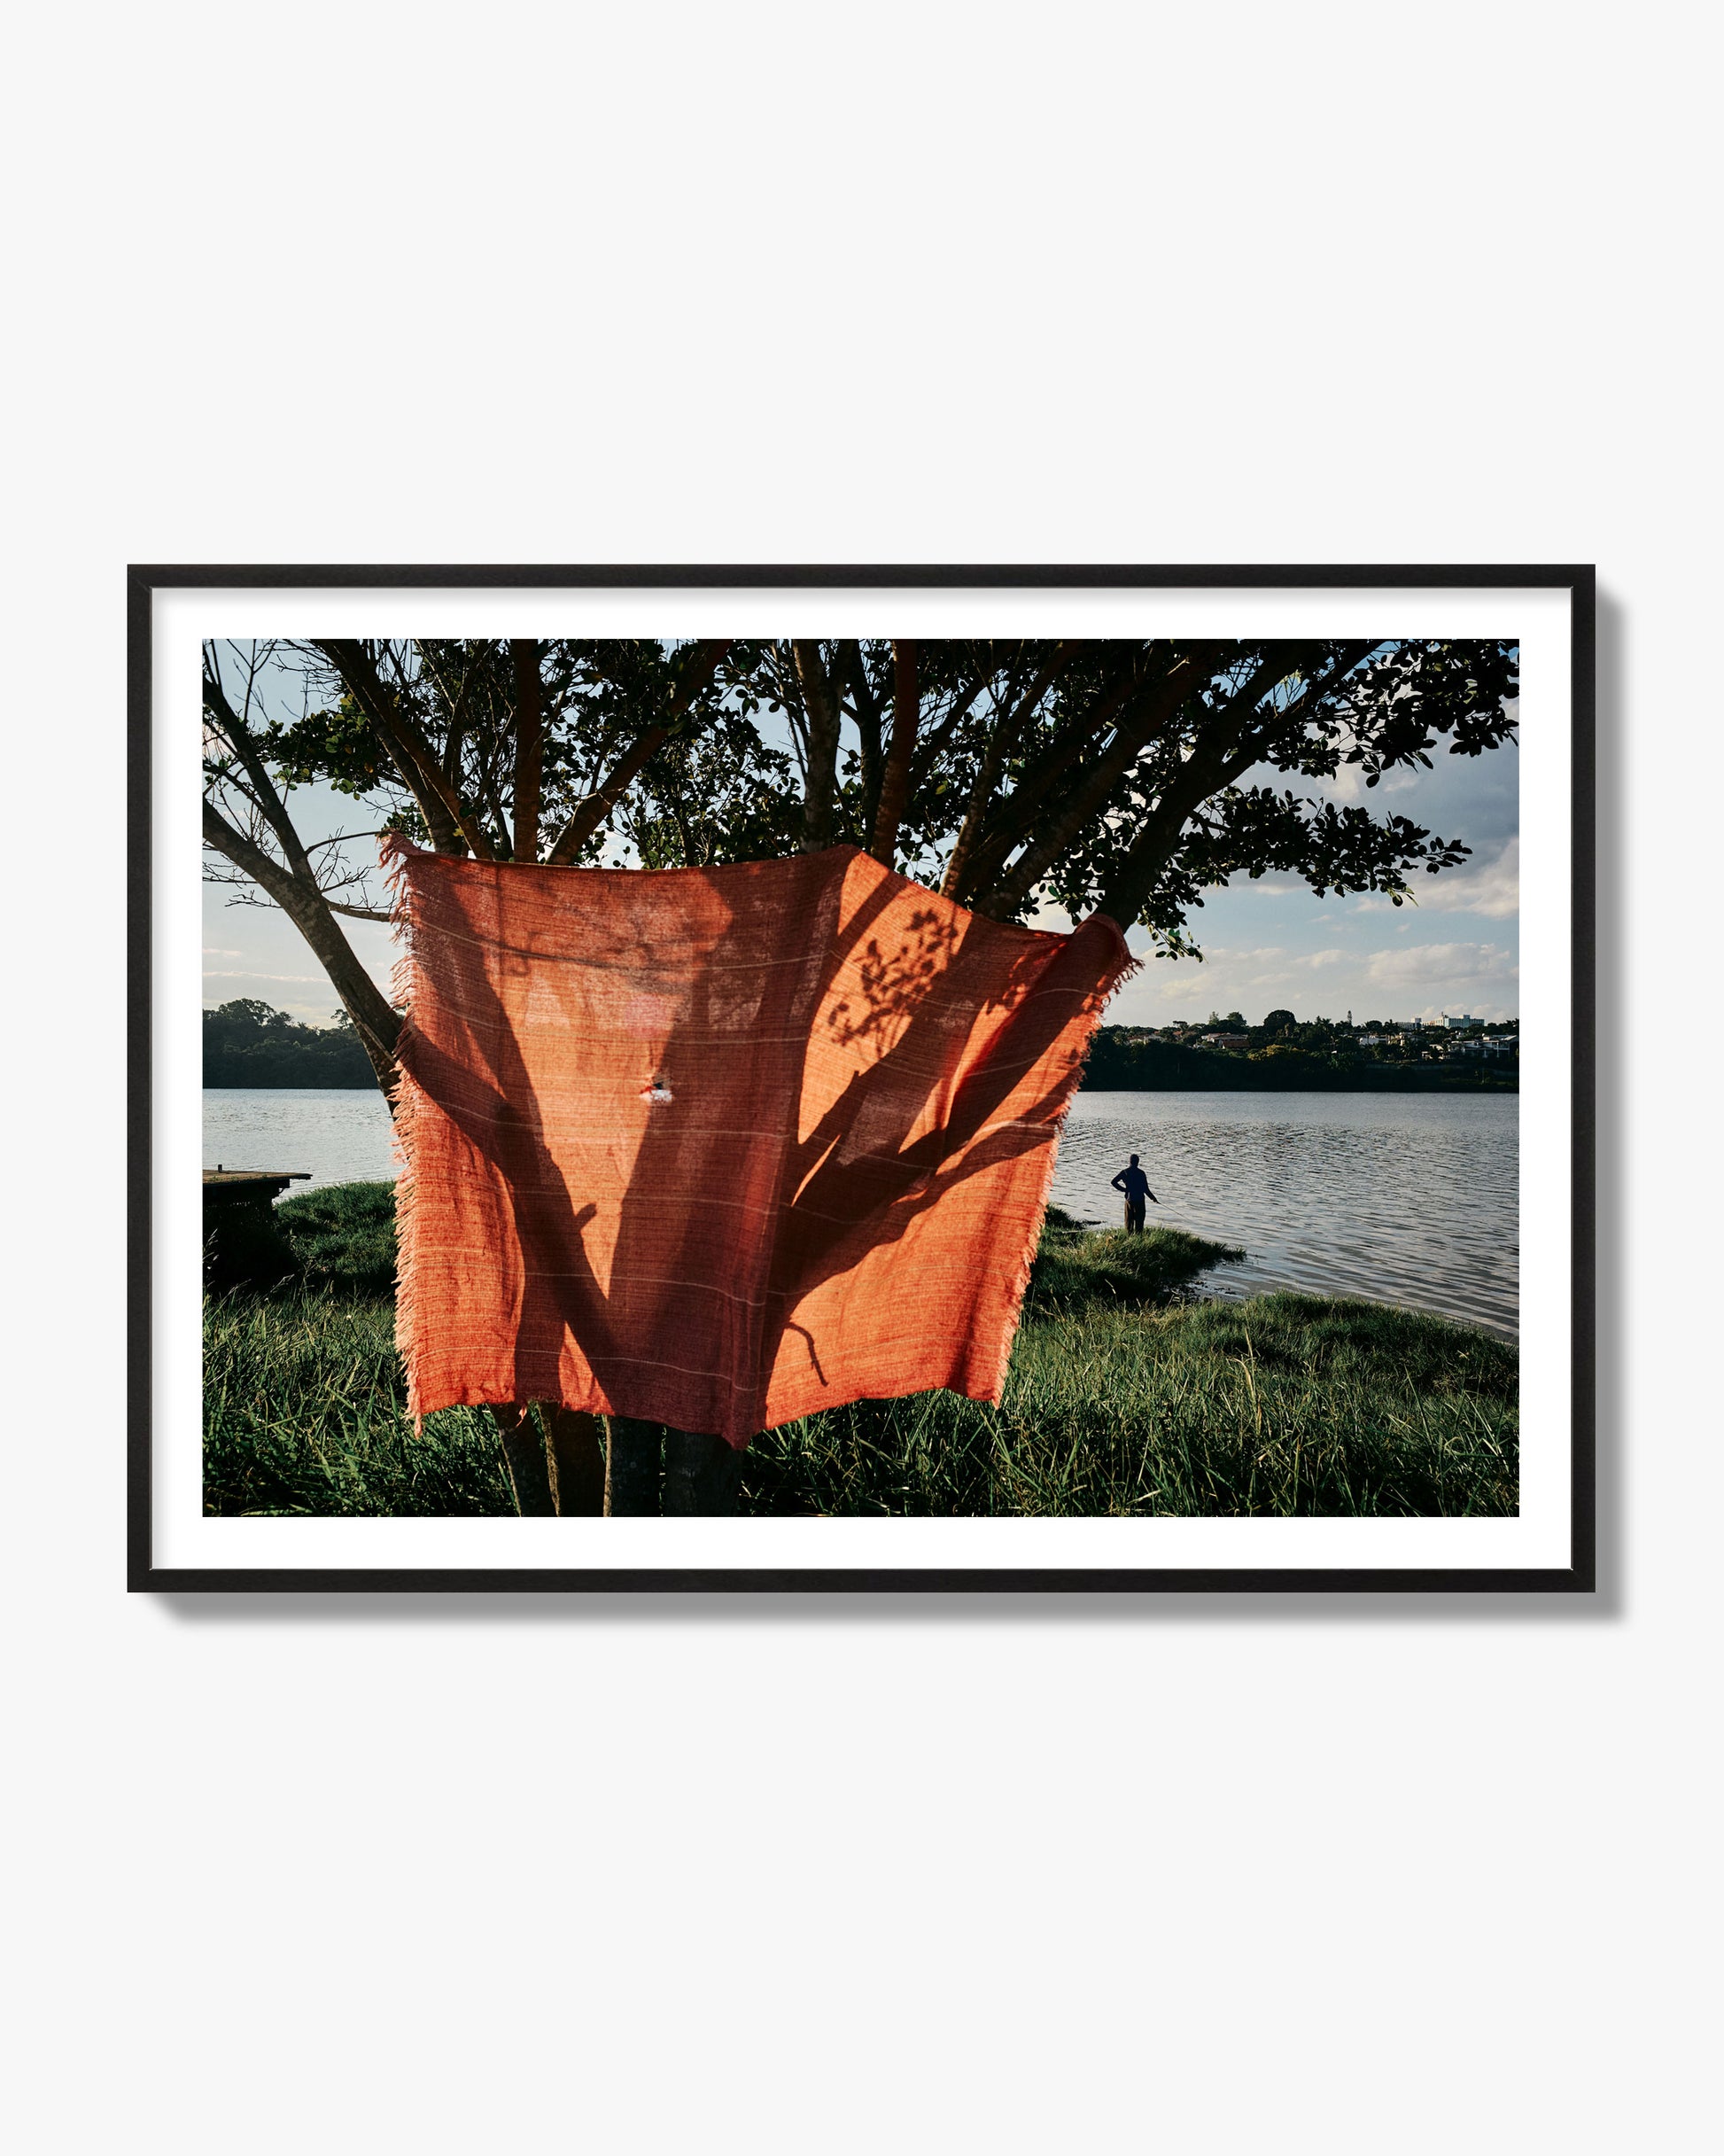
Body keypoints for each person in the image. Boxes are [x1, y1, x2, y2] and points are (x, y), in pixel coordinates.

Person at [1110, 1153, 1158, 1233]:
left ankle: (1129, 1237)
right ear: (1138, 1162)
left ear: (1130, 1161)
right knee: (1139, 1223)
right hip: (1140, 1200)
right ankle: (1138, 1237)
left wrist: (1124, 1190)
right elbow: (1146, 1189)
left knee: (1129, 1223)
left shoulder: (1125, 1172)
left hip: (1129, 1200)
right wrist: (1153, 1198)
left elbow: (1113, 1182)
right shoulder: (1141, 1173)